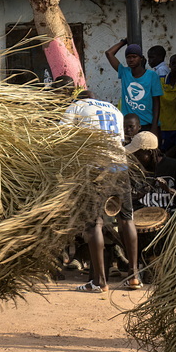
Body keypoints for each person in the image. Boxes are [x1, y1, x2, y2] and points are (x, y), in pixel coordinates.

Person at [62, 89, 142, 292]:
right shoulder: (115, 109)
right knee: (126, 219)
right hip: (119, 167)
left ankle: (99, 282)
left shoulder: (76, 107)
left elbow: (62, 139)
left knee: (93, 224)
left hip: (95, 170)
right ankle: (134, 276)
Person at [126, 130, 176, 214]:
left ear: (149, 153)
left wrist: (169, 190)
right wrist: (138, 195)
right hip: (142, 218)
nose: (135, 158)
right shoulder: (134, 169)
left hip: (170, 219)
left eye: (138, 155)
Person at [106, 39, 162, 135]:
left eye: (134, 57)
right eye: (128, 57)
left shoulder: (152, 76)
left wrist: (154, 127)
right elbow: (109, 53)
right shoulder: (124, 73)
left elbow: (157, 102)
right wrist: (124, 42)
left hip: (147, 124)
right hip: (129, 126)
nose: (131, 60)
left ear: (141, 58)